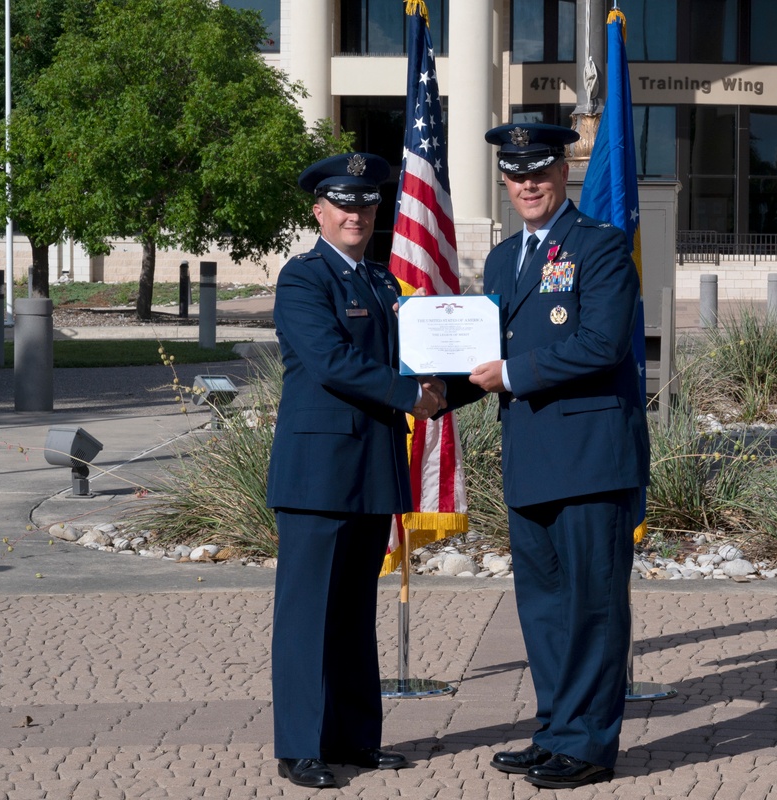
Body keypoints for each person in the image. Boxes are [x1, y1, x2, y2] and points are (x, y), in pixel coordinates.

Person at [459, 123, 650, 789]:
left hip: (591, 458)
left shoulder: (599, 247)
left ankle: (589, 746)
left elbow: (602, 344)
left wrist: (510, 374)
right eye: (515, 174)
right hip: (532, 457)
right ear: (504, 181)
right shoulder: (502, 259)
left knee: (592, 607)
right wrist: (426, 390)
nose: (528, 183)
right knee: (543, 608)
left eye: (539, 170)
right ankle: (555, 730)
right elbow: (480, 359)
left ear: (563, 171)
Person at [265, 152, 445, 789]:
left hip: (370, 467)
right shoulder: (302, 279)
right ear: (319, 211)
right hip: (316, 474)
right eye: (344, 204)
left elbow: (420, 356)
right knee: (308, 613)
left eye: (367, 204)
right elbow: (331, 361)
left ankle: (354, 739)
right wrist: (409, 394)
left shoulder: (382, 283)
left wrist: (464, 375)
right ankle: (301, 746)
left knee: (351, 612)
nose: (357, 215)